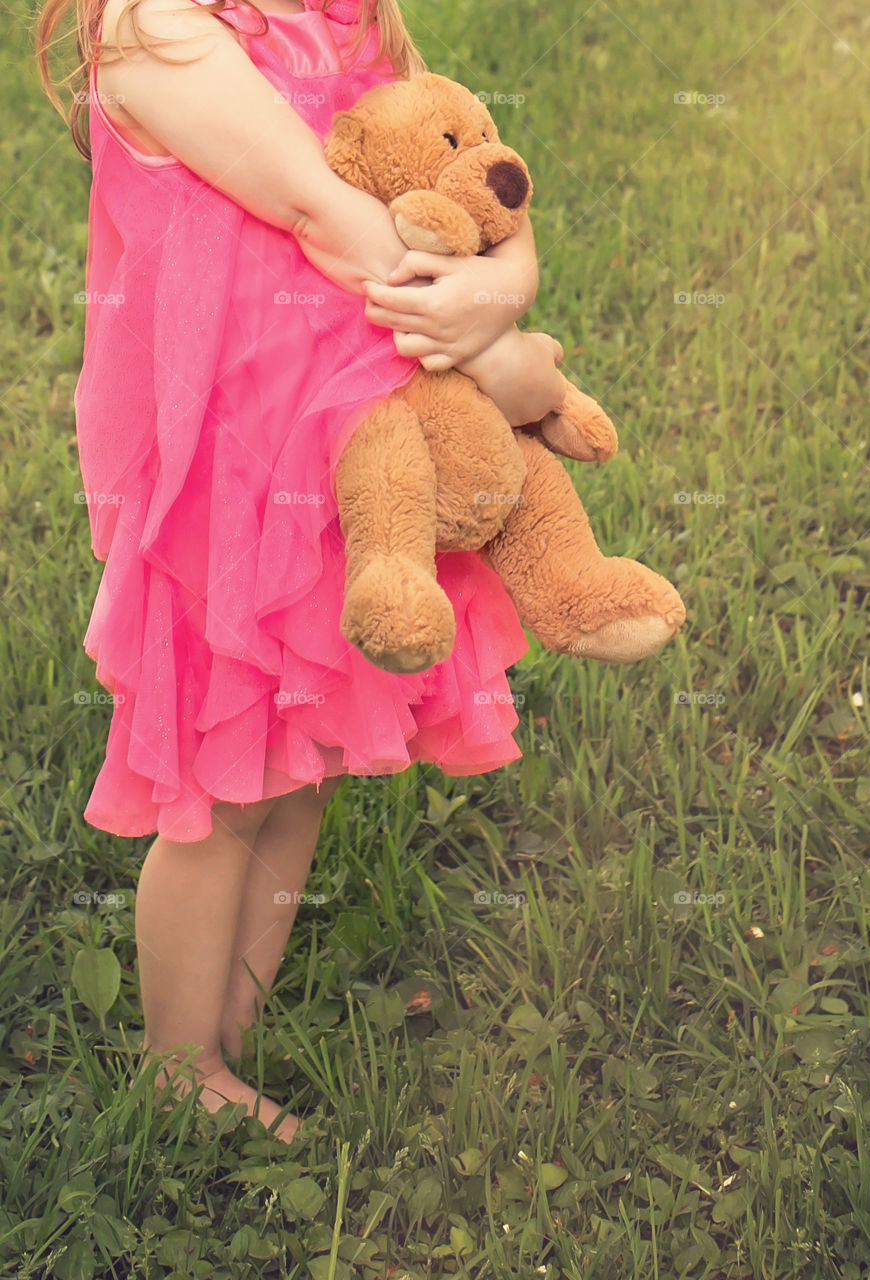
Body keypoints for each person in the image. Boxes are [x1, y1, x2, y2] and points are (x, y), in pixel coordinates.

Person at [36, 0, 566, 1142]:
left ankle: (236, 1018)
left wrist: (508, 286)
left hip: (344, 453)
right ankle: (181, 1063)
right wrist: (496, 349)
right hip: (232, 477)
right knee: (223, 795)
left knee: (299, 767)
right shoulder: (149, 31)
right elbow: (319, 208)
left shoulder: (344, 22)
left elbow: (471, 169)